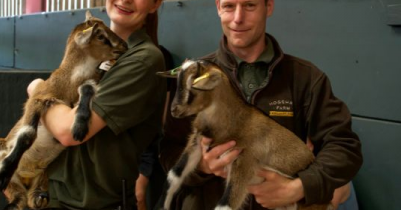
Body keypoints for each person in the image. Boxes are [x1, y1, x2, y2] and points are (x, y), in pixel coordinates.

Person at [158, 0, 363, 209]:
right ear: (218, 7)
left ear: (269, 7)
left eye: (249, 5)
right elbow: (169, 151)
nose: (238, 18)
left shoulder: (305, 78)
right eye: (229, 6)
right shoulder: (193, 77)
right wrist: (202, 166)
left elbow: (344, 148)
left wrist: (298, 188)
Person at [26, 0, 166, 209]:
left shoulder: (143, 59)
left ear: (155, 4)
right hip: (54, 191)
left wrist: (37, 89)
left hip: (91, 201)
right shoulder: (94, 51)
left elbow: (68, 130)